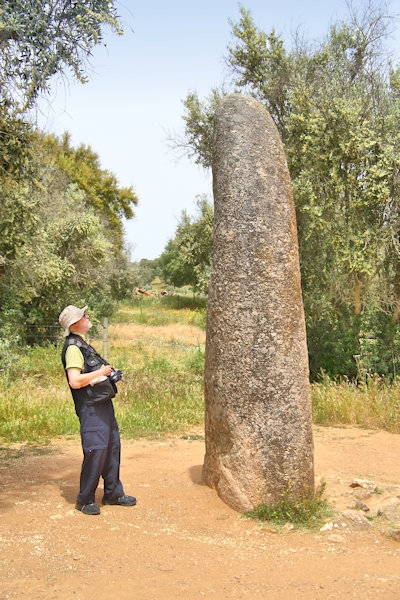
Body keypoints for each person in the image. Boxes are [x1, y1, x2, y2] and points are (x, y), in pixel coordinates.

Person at [59, 304, 136, 515]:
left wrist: (110, 375)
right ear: (75, 323)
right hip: (90, 409)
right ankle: (84, 500)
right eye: (84, 315)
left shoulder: (84, 345)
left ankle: (113, 493)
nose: (87, 317)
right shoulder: (73, 348)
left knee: (112, 448)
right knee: (96, 450)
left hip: (103, 405)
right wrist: (100, 372)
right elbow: (75, 381)